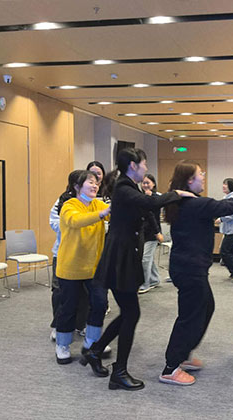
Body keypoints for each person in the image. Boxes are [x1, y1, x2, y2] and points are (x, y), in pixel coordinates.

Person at [159, 161, 233, 386]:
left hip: (188, 267)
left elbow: (227, 204)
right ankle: (170, 367)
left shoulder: (186, 202)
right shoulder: (196, 204)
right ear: (190, 180)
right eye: (200, 174)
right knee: (190, 316)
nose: (203, 176)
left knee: (205, 308)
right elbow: (227, 207)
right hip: (190, 269)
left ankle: (183, 355)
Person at [88, 148, 192, 391]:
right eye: (144, 163)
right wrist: (176, 193)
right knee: (131, 313)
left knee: (129, 312)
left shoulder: (128, 186)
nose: (146, 168)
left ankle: (95, 351)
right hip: (120, 258)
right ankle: (119, 372)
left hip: (124, 255)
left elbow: (147, 208)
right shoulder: (124, 188)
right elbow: (150, 202)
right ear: (133, 165)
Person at [54, 170, 111, 368]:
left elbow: (113, 213)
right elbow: (76, 221)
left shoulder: (98, 204)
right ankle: (62, 345)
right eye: (90, 182)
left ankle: (92, 342)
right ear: (77, 186)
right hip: (70, 267)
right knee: (69, 308)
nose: (95, 186)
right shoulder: (69, 206)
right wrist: (102, 214)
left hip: (94, 268)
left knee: (100, 304)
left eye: (96, 183)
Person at [49, 170, 88, 342]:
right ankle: (58, 326)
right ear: (76, 185)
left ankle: (81, 325)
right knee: (60, 291)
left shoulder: (92, 202)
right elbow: (54, 223)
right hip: (63, 253)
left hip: (85, 254)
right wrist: (74, 224)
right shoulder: (62, 200)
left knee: (85, 293)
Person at [138, 174, 163, 294]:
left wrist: (149, 198)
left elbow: (153, 212)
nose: (145, 185)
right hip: (143, 232)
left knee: (145, 259)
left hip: (154, 232)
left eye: (148, 183)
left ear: (153, 184)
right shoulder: (140, 196)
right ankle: (154, 279)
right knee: (148, 258)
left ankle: (145, 283)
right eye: (143, 183)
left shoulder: (157, 198)